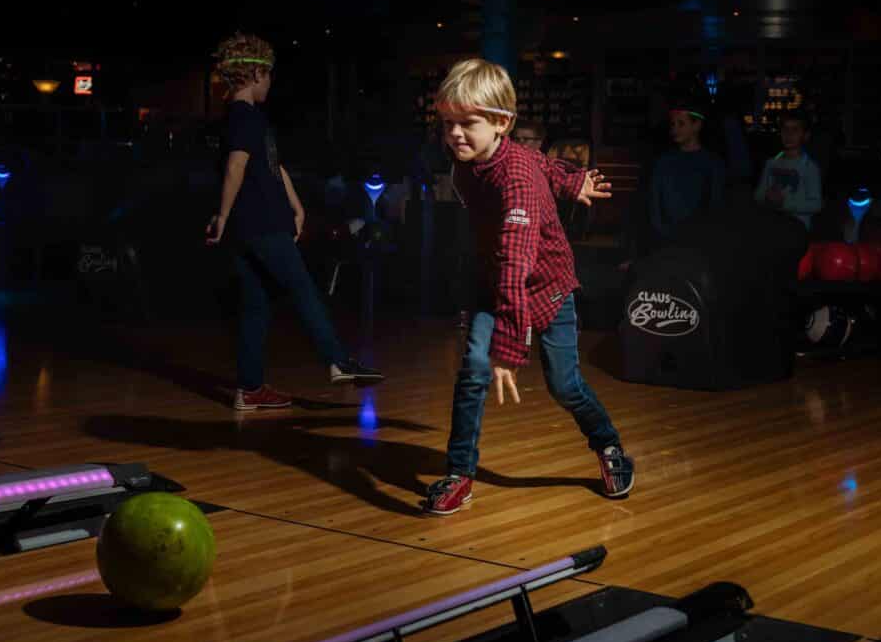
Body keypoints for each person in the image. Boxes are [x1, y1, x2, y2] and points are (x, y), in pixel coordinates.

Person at [423, 58, 635, 516]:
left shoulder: (513, 180)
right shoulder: (472, 161)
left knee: (564, 385)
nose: (455, 134)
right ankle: (460, 474)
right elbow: (542, 162)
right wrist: (573, 181)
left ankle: (610, 446)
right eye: (448, 124)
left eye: (467, 123)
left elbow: (517, 264)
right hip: (495, 283)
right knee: (472, 374)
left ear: (501, 122)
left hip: (546, 287)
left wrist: (509, 348)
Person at [205, 32, 383, 411]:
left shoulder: (248, 118)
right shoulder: (243, 116)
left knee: (255, 305)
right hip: (261, 223)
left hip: (252, 224)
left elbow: (271, 164)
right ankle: (337, 360)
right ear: (256, 75)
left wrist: (297, 205)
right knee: (302, 288)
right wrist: (222, 214)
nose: (270, 83)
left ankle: (250, 389)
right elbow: (236, 166)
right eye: (268, 76)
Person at [647, 102, 726, 251]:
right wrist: (661, 232)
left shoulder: (712, 163)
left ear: (697, 126)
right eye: (673, 124)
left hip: (698, 242)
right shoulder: (663, 161)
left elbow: (715, 204)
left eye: (681, 124)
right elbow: (654, 201)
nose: (674, 129)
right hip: (666, 241)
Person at [754, 110, 824, 231]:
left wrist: (784, 203)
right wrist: (766, 197)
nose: (788, 134)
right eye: (785, 129)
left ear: (806, 135)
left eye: (795, 130)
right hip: (772, 223)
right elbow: (758, 194)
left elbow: (816, 204)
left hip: (797, 227)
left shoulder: (809, 167)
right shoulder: (771, 163)